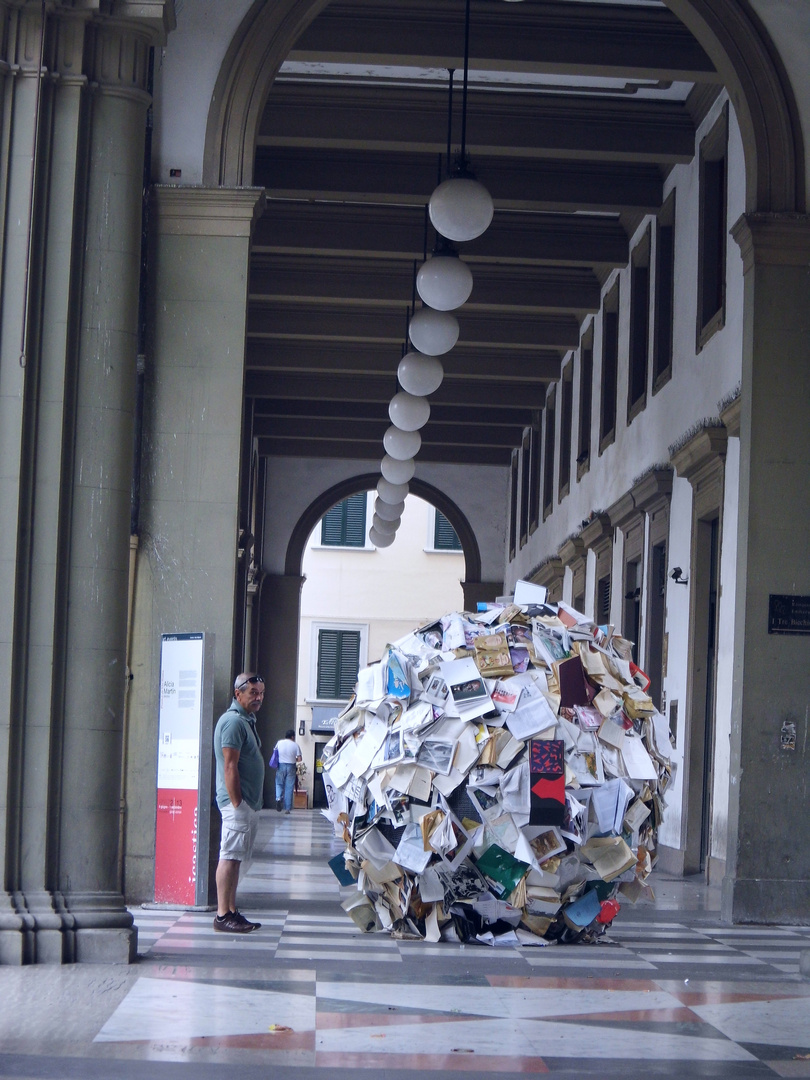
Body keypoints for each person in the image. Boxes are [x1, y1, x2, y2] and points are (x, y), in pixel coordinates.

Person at [212, 672, 266, 933]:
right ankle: (223, 915)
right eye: (253, 693)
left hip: (246, 805)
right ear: (238, 693)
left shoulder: (247, 721)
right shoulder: (233, 722)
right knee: (229, 856)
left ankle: (231, 910)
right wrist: (238, 804)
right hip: (237, 806)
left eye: (261, 693)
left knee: (236, 859)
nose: (259, 698)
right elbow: (229, 766)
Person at [272, 728, 302, 814]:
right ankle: (287, 808)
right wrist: (293, 759)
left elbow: (275, 753)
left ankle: (278, 798)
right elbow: (299, 759)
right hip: (291, 766)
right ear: (293, 737)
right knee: (289, 787)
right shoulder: (295, 745)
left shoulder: (279, 742)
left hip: (281, 765)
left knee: (279, 783)